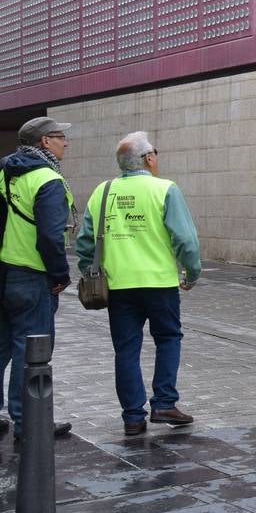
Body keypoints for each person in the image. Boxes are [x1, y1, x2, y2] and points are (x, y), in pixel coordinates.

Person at [76, 132, 201, 436]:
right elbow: (186, 239)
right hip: (158, 282)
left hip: (118, 285)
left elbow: (84, 243)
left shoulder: (102, 192)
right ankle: (164, 403)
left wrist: (90, 271)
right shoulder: (165, 189)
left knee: (126, 350)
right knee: (168, 338)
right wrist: (192, 272)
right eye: (154, 152)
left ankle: (133, 417)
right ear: (148, 158)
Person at [0, 116, 75, 442]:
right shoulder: (48, 179)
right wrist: (60, 274)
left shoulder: (5, 172)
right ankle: (27, 421)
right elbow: (49, 236)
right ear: (45, 142)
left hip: (3, 272)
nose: (65, 143)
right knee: (31, 350)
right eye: (60, 137)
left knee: (2, 346)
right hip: (31, 274)